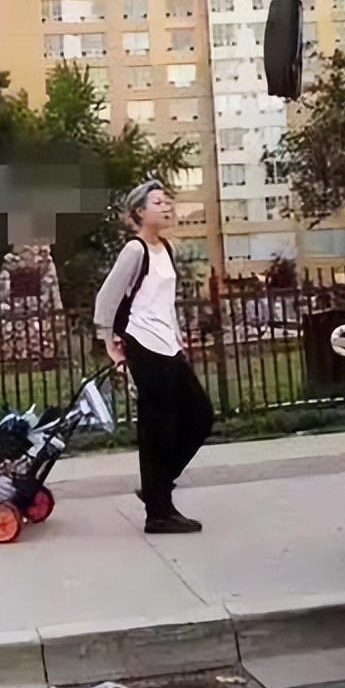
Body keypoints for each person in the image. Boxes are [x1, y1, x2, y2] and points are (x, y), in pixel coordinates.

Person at [94, 179, 214, 534]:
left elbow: (162, 299)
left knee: (200, 415)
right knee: (157, 427)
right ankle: (159, 512)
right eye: (157, 202)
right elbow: (106, 299)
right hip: (143, 345)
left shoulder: (166, 248)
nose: (167, 206)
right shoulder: (135, 250)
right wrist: (110, 344)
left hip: (167, 344)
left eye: (167, 201)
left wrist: (177, 333)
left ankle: (156, 489)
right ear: (139, 213)